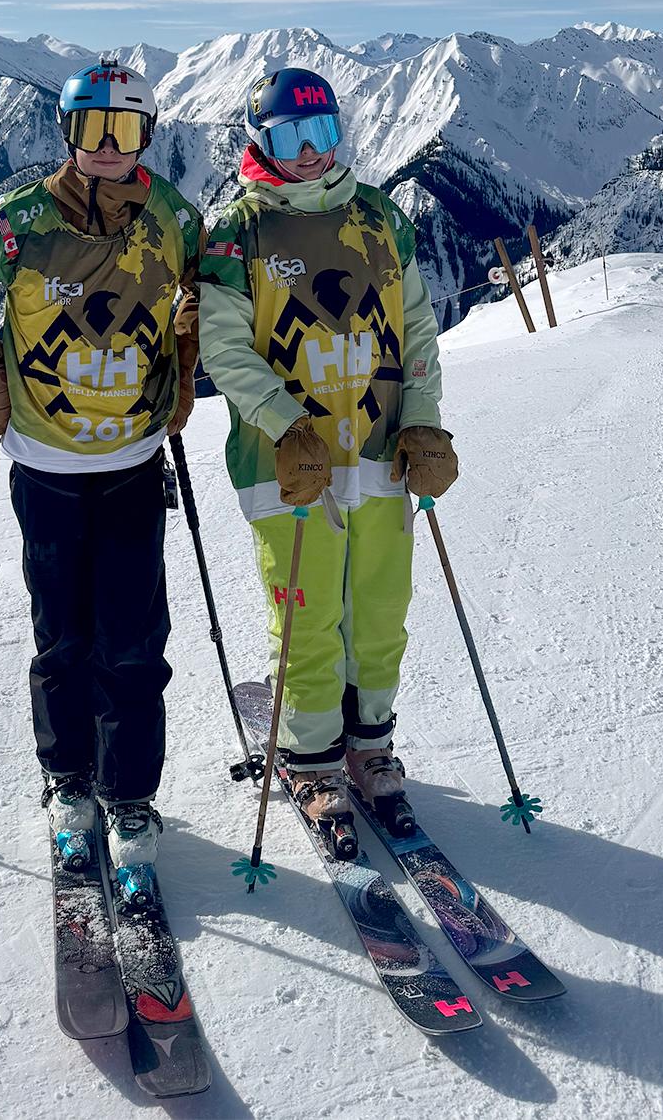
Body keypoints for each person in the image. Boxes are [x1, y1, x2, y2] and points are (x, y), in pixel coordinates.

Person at [0, 59, 200, 900]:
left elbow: (210, 289)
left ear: (146, 136)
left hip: (135, 462)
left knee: (134, 645)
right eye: (93, 130)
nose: (109, 148)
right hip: (45, 463)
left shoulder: (174, 219)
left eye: (127, 131)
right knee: (63, 637)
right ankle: (69, 783)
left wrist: (184, 358)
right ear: (68, 134)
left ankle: (131, 798)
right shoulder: (21, 220)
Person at [198, 67, 458, 847]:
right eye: (289, 138)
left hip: (380, 448)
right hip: (288, 463)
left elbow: (416, 332)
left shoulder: (379, 217)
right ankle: (310, 761)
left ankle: (370, 746)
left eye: (322, 134)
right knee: (308, 616)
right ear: (259, 142)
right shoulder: (236, 233)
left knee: (379, 612)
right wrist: (286, 427)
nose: (309, 154)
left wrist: (422, 422)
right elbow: (225, 346)